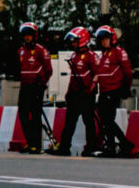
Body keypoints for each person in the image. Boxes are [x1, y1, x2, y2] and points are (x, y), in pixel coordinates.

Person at [51, 26, 97, 157]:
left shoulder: (91, 56)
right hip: (74, 94)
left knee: (88, 121)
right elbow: (73, 77)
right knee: (70, 122)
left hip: (87, 93)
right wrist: (68, 93)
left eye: (75, 41)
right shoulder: (73, 55)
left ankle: (91, 147)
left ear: (82, 40)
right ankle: (64, 147)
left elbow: (97, 74)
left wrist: (92, 87)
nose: (73, 43)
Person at [90, 25, 135, 156]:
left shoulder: (119, 52)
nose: (104, 42)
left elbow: (128, 72)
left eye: (106, 39)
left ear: (112, 39)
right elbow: (100, 73)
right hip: (104, 91)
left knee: (107, 120)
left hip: (114, 90)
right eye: (102, 39)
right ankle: (114, 145)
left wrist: (125, 89)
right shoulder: (103, 55)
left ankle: (122, 144)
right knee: (105, 120)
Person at [14, 22, 53, 154]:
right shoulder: (21, 51)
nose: (27, 38)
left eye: (29, 35)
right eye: (25, 35)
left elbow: (49, 70)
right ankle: (30, 142)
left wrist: (41, 83)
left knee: (35, 116)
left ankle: (36, 144)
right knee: (22, 114)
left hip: (37, 87)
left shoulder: (41, 50)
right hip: (24, 87)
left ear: (34, 36)